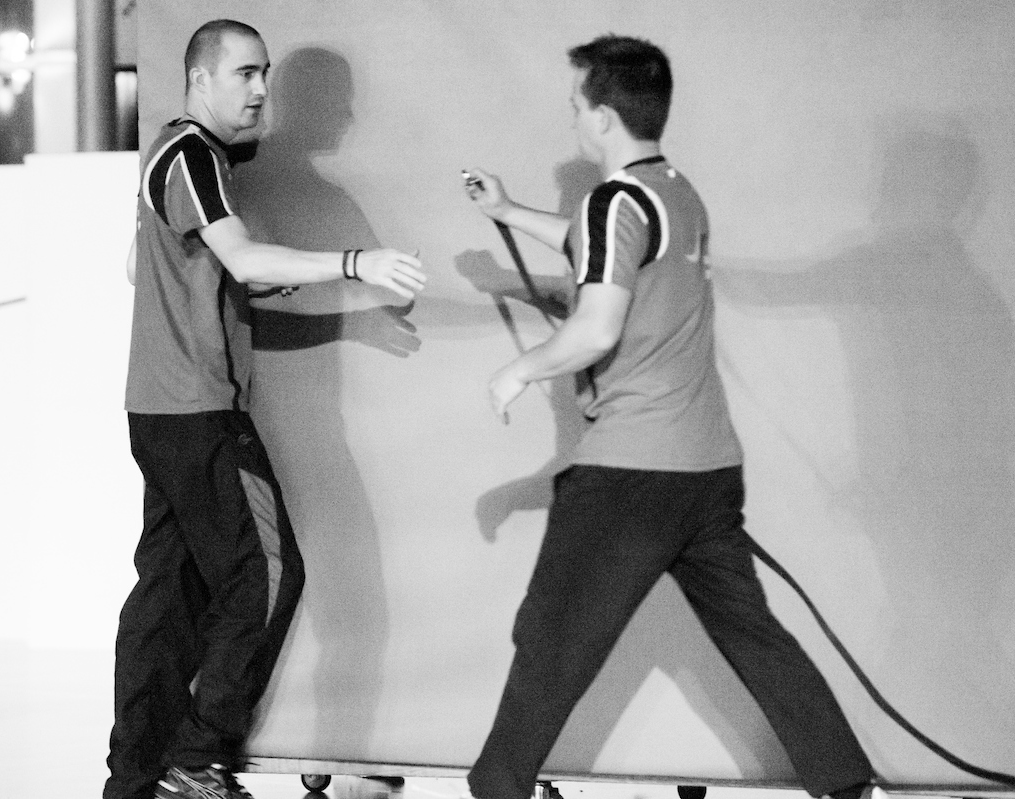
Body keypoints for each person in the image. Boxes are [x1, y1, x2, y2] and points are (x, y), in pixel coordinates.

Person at [462, 35, 875, 799]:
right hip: (706, 472)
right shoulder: (676, 194)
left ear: (603, 117)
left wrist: (519, 368)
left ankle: (497, 786)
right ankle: (849, 784)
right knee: (755, 637)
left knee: (549, 636)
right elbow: (604, 246)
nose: (573, 118)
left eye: (576, 104)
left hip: (633, 472)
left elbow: (596, 327)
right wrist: (508, 212)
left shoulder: (614, 201)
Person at [106, 19, 426, 799]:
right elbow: (241, 259)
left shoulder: (179, 156)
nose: (260, 91)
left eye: (265, 74)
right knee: (268, 574)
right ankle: (195, 760)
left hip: (159, 410)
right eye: (245, 73)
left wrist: (240, 276)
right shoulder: (190, 153)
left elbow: (144, 265)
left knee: (166, 599)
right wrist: (357, 262)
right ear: (200, 78)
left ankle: (135, 780)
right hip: (198, 409)